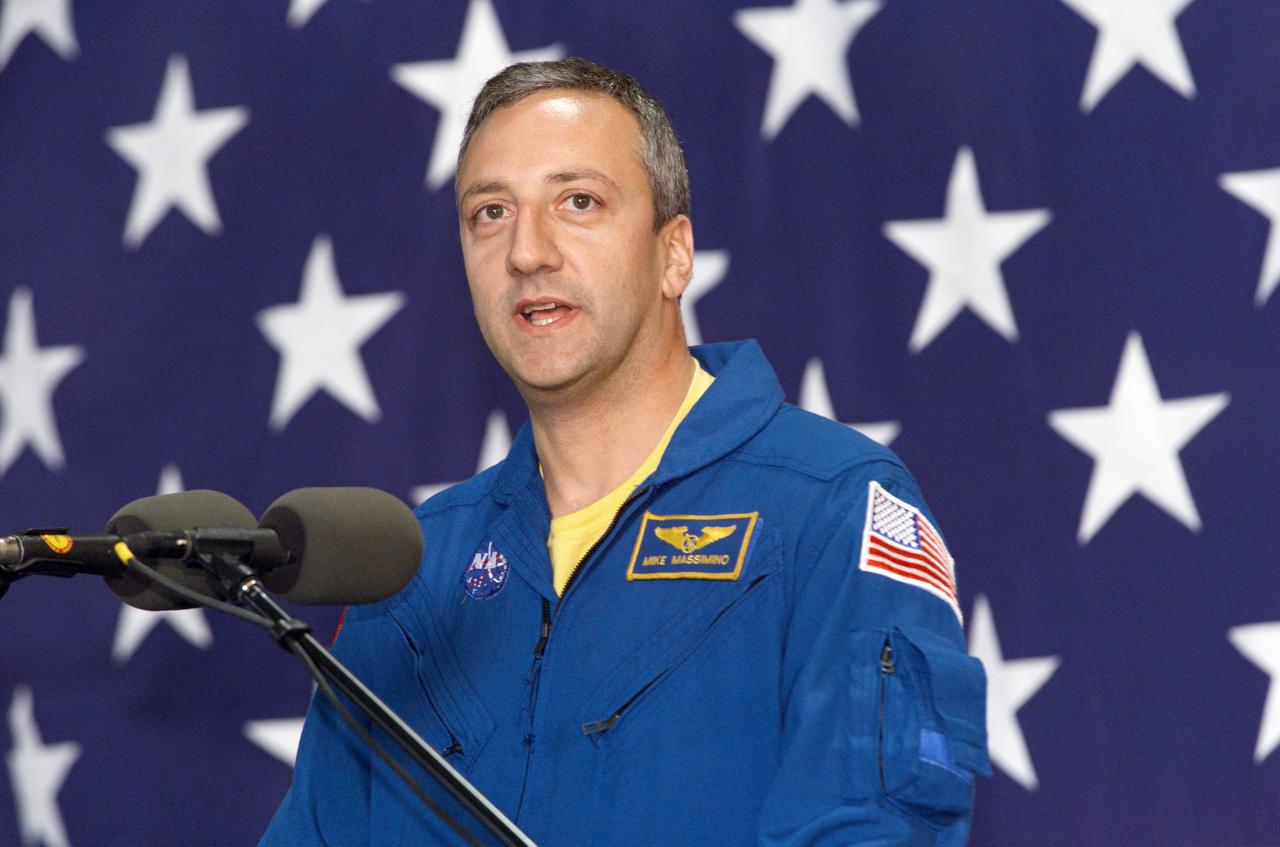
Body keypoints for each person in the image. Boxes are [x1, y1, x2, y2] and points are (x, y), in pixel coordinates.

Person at [260, 57, 988, 846]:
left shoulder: (831, 509)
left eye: (578, 202)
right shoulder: (412, 570)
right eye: (490, 213)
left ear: (674, 254)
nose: (526, 251)